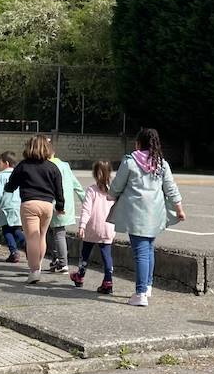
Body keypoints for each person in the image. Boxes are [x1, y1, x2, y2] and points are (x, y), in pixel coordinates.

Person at [108, 128, 185, 306]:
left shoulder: (130, 161)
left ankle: (140, 293)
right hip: (155, 213)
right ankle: (148, 286)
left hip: (136, 213)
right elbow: (171, 188)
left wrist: (111, 196)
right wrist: (179, 209)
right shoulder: (161, 164)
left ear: (138, 143)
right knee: (149, 249)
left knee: (141, 253)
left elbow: (117, 185)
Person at [4, 134, 64, 284]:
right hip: (47, 205)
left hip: (29, 204)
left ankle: (34, 270)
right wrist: (60, 206)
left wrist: (7, 187)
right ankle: (38, 265)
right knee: (41, 236)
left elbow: (11, 185)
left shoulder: (23, 166)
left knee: (32, 238)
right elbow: (59, 189)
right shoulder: (52, 167)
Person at [71, 160, 116, 294]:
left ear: (95, 174)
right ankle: (108, 281)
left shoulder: (91, 190)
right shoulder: (114, 191)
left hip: (92, 227)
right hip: (108, 227)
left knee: (85, 253)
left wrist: (82, 226)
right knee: (106, 255)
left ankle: (80, 276)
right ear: (110, 173)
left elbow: (86, 209)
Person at [46, 149, 86, 274]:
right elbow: (76, 184)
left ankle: (62, 262)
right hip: (67, 204)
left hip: (54, 203)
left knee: (58, 232)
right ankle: (56, 259)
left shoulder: (47, 166)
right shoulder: (65, 165)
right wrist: (85, 200)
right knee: (54, 232)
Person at [0, 151, 24, 263]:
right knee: (16, 229)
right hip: (18, 205)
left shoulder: (1, 176)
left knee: (7, 229)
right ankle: (27, 245)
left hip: (6, 206)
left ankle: (14, 251)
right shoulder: (20, 175)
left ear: (6, 163)